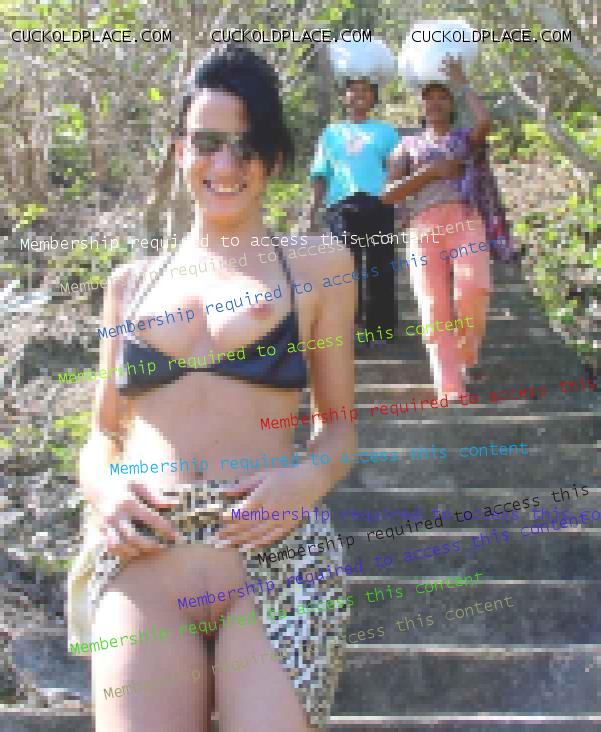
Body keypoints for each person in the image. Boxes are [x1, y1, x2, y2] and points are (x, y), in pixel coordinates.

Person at [68, 44, 357, 731]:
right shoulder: (129, 286)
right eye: (206, 143)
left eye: (247, 147)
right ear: (179, 150)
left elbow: (340, 427)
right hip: (144, 562)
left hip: (275, 561)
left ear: (275, 160)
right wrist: (104, 491)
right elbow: (103, 433)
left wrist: (306, 480)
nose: (225, 166)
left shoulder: (319, 267)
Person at [382, 57, 492, 398]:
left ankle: (467, 354)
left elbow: (485, 121)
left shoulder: (464, 140)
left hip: (465, 219)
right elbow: (388, 194)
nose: (435, 102)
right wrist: (430, 172)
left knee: (473, 289)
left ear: (451, 103)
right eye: (429, 97)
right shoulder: (406, 146)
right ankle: (449, 387)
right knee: (433, 305)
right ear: (421, 105)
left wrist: (462, 82)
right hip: (423, 226)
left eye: (442, 96)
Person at [309, 77, 399, 336]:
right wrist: (312, 211)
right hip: (341, 207)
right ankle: (347, 326)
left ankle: (381, 329)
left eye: (366, 90)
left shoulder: (386, 132)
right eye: (354, 90)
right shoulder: (331, 133)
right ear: (344, 97)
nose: (359, 94)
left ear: (374, 98)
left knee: (381, 265)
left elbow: (397, 171)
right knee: (344, 268)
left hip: (380, 203)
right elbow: (321, 173)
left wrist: (402, 205)